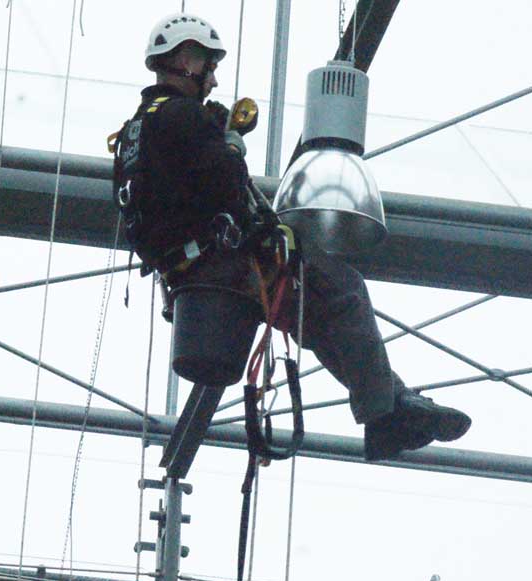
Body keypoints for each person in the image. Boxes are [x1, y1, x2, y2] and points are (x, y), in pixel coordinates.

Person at [112, 12, 472, 461]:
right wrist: (228, 145)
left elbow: (167, 198)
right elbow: (225, 183)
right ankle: (386, 411)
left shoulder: (133, 131)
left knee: (319, 314)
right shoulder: (184, 116)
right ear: (187, 58)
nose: (213, 78)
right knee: (342, 289)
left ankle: (389, 407)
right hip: (222, 263)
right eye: (209, 64)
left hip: (190, 270)